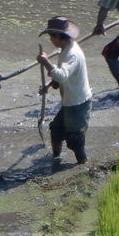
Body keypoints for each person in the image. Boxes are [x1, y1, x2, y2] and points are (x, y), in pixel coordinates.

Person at [35, 15, 92, 167]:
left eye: (51, 37)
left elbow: (62, 75)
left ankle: (83, 164)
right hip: (70, 101)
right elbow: (61, 76)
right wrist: (49, 84)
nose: (51, 40)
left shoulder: (72, 54)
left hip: (78, 103)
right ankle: (55, 158)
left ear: (60, 37)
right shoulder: (65, 49)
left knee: (75, 139)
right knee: (56, 130)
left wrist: (46, 62)